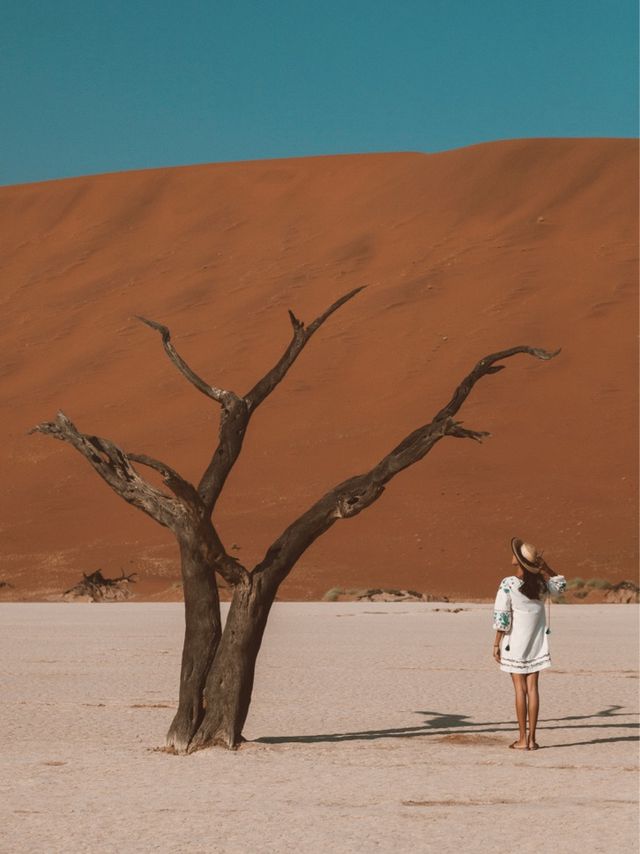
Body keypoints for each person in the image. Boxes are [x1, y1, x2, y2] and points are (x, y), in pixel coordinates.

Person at [492, 538, 566, 750]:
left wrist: (496, 644)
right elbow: (561, 584)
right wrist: (546, 567)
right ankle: (532, 740)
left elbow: (502, 618)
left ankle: (522, 739)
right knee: (533, 689)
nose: (512, 555)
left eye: (516, 554)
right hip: (536, 642)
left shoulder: (508, 584)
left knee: (519, 690)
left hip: (514, 643)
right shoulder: (542, 585)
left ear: (520, 562)